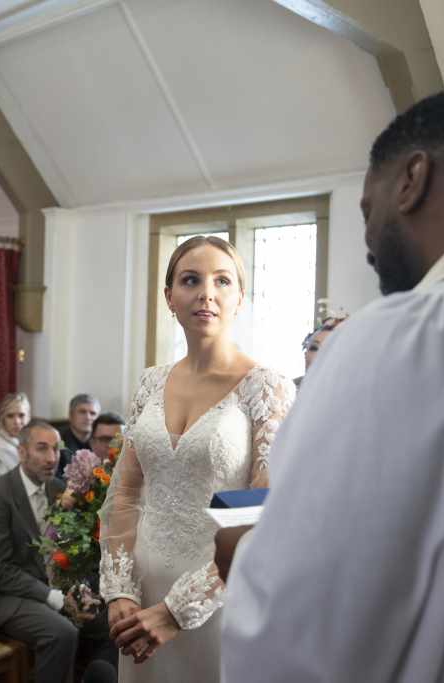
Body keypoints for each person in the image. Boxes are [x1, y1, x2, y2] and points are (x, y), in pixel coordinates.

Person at [221, 90, 444, 682]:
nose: (367, 241)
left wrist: (247, 558)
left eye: (367, 209)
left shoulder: (410, 337)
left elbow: (302, 628)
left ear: (412, 179)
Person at [98, 236, 296, 682]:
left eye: (222, 281)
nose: (207, 293)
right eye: (191, 280)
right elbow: (125, 492)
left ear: (240, 298)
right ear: (169, 296)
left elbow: (264, 512)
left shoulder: (266, 386)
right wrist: (120, 589)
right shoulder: (150, 383)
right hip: (142, 589)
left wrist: (177, 610)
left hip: (221, 592)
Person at [0, 419, 77, 683]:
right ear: (21, 452)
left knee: (109, 623)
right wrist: (51, 596)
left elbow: (67, 550)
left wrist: (77, 591)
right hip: (1, 596)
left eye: (56, 449)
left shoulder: (58, 489)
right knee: (61, 633)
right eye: (42, 448)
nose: (52, 458)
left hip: (47, 587)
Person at [293, 313, 348, 387]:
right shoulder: (289, 388)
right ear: (305, 354)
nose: (320, 355)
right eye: (314, 348)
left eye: (330, 349)